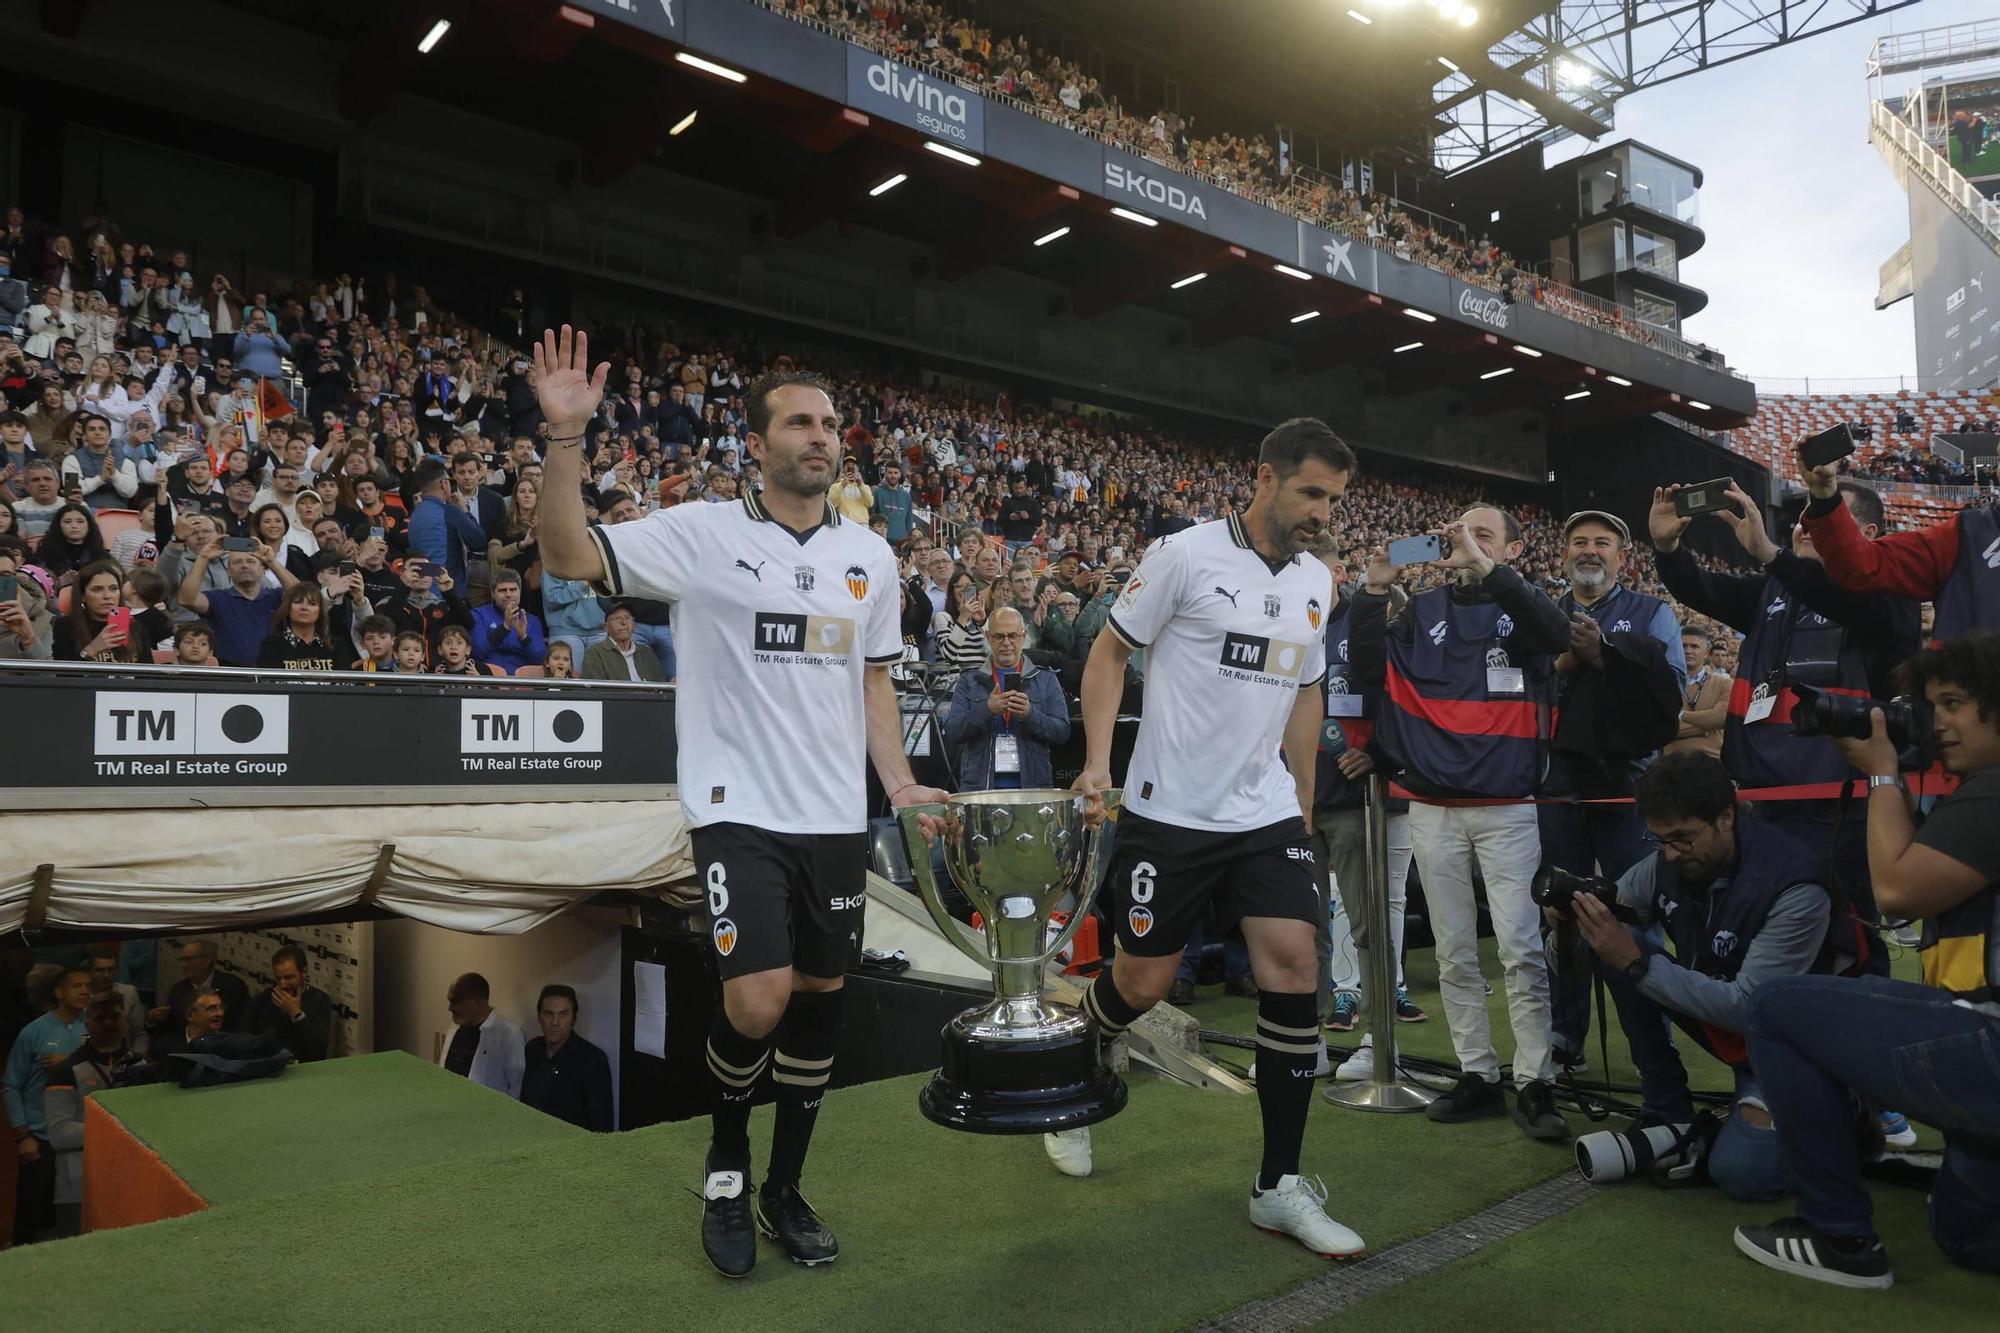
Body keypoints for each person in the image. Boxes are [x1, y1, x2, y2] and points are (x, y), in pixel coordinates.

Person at [533, 326, 948, 1277]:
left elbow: (874, 684)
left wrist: (898, 786)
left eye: (832, 423)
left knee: (818, 1000)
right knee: (756, 1000)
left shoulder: (869, 559)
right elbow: (564, 554)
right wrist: (565, 440)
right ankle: (727, 1162)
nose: (822, 436)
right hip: (738, 811)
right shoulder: (703, 534)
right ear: (756, 443)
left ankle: (785, 1187)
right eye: (800, 422)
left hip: (836, 819)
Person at [1060, 417, 1363, 1257]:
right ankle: (1088, 1056)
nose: (1322, 511)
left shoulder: (1317, 580)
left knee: (1294, 966)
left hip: (1262, 813)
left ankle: (1279, 1184)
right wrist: (1096, 763)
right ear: (1263, 478)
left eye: (1334, 499)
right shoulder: (1183, 554)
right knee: (1142, 982)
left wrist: (1298, 800)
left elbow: (1305, 695)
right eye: (1311, 492)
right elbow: (1108, 656)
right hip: (1170, 811)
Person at [1734, 632, 2000, 1288]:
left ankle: (1839, 1235)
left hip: (1990, 1039)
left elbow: (1895, 892)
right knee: (1961, 1228)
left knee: (1775, 1008)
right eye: (1930, 704)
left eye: (1955, 703)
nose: (1935, 722)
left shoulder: (1994, 790)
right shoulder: (1979, 792)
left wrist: (1881, 770)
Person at [1348, 507, 1574, 1141]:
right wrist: (1372, 589)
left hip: (1508, 807)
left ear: (1509, 547)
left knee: (1521, 949)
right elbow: (1367, 669)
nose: (1467, 546)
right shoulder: (1420, 610)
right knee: (1452, 951)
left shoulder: (1524, 605)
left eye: (1485, 537)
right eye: (1460, 536)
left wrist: (1492, 573)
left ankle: (1536, 1081)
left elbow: (1555, 633)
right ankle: (1478, 1073)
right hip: (1433, 807)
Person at [1553, 752, 1832, 1200]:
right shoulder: (1669, 860)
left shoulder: (1794, 887)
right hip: (1736, 1031)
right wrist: (1569, 927)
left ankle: (1846, 1111)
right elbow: (1588, 950)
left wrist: (1638, 964)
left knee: (1744, 1175)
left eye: (1682, 838)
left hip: (1799, 1047)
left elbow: (1749, 1010)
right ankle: (1666, 1107)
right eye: (1659, 838)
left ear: (1726, 817)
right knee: (1614, 938)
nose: (1669, 852)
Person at [1649, 478, 1918, 931]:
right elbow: (1700, 587)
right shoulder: (1771, 591)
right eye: (1803, 521)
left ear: (1868, 536)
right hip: (1763, 802)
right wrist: (1666, 547)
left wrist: (1772, 554)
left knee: (1843, 940)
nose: (1807, 527)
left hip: (1838, 806)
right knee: (1768, 934)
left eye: (1826, 520)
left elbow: (1859, 605)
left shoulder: (1886, 592)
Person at [1543, 509, 1686, 1072]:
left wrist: (1607, 656)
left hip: (1628, 784)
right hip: (1555, 783)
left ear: (1621, 557)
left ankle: (1652, 1032)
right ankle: (1564, 1035)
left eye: (1602, 542)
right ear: (1564, 554)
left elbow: (1669, 695)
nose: (1590, 550)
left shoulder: (1652, 613)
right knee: (1559, 912)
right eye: (1579, 540)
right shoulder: (1544, 614)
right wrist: (1563, 661)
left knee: (1634, 910)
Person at [1311, 550, 1422, 1068]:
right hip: (1287, 800)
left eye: (1313, 566)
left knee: (1367, 922)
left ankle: (1380, 1045)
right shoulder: (1278, 625)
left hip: (1352, 800)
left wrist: (1376, 754)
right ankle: (1300, 1041)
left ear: (1334, 572)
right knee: (1297, 925)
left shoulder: (1361, 620)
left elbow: (1399, 695)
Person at [44, 991, 148, 1237]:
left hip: (130, 1182)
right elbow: (59, 1134)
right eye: (100, 1018)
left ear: (126, 1020)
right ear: (88, 1023)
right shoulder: (65, 1071)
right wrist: (118, 1128)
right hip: (79, 1187)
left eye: (115, 1016)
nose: (108, 1023)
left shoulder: (142, 1068)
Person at [939, 606, 1070, 789]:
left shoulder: (1046, 679)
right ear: (988, 637)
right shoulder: (969, 680)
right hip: (981, 789)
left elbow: (1062, 732)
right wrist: (987, 710)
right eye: (999, 636)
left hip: (1032, 788)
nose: (1006, 643)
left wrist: (1030, 715)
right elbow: (952, 731)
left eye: (1013, 636)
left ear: (1023, 637)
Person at [5, 966, 88, 1244]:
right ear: (59, 992)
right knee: (31, 1214)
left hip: (80, 1137)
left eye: (87, 985)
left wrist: (68, 1061)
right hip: (41, 1137)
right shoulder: (34, 1032)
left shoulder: (94, 1026)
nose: (85, 991)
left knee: (72, 1216)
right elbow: (11, 1085)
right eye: (76, 985)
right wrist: (23, 1135)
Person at [177, 533, 297, 666]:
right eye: (237, 562)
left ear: (263, 569)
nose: (244, 566)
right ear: (228, 571)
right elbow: (187, 599)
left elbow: (302, 595)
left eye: (251, 561)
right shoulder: (217, 599)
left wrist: (272, 562)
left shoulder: (276, 597)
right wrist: (203, 557)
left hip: (274, 673)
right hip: (232, 677)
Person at [519, 984, 613, 1132]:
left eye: (563, 1014)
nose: (555, 1022)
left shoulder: (592, 1060)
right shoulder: (533, 1049)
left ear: (573, 1019)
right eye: (548, 1014)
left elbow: (601, 1125)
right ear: (539, 1017)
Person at [405, 456, 491, 592]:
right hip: (448, 592)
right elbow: (479, 541)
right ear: (444, 484)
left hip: (424, 590)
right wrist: (465, 511)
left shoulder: (416, 513)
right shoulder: (448, 511)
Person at [239, 946, 335, 1062]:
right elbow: (243, 1037)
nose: (282, 984)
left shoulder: (319, 1000)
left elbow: (319, 1051)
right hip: (268, 1066)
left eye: (289, 977)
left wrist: (297, 1015)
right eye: (278, 978)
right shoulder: (264, 998)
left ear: (304, 972)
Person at [439, 972, 526, 1097]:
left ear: (476, 1001)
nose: (450, 1007)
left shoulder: (508, 1034)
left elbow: (516, 1088)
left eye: (455, 1001)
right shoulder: (454, 1028)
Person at [148, 938, 250, 1037]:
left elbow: (242, 1026)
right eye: (182, 960)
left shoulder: (233, 986)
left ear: (207, 961)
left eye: (188, 960)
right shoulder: (178, 990)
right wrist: (151, 1020)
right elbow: (169, 1029)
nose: (183, 965)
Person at [1665, 625, 1731, 760]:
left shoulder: (1724, 683)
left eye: (1694, 647)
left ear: (1706, 653)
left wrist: (1681, 716)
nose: (1688, 651)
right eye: (1683, 646)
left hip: (1711, 763)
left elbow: (1721, 717)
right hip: (1670, 763)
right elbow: (1661, 728)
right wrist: (1705, 727)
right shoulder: (1665, 683)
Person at [470, 567, 545, 674]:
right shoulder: (479, 615)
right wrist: (504, 628)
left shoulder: (532, 621)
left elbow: (539, 659)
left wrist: (523, 637)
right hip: (486, 678)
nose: (508, 594)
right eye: (502, 590)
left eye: (513, 589)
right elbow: (477, 652)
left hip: (521, 681)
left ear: (520, 592)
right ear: (493, 594)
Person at [581, 602, 665, 681]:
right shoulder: (595, 653)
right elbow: (595, 691)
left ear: (634, 625)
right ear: (606, 627)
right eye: (617, 618)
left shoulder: (646, 652)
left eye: (627, 618)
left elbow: (659, 686)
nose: (624, 622)